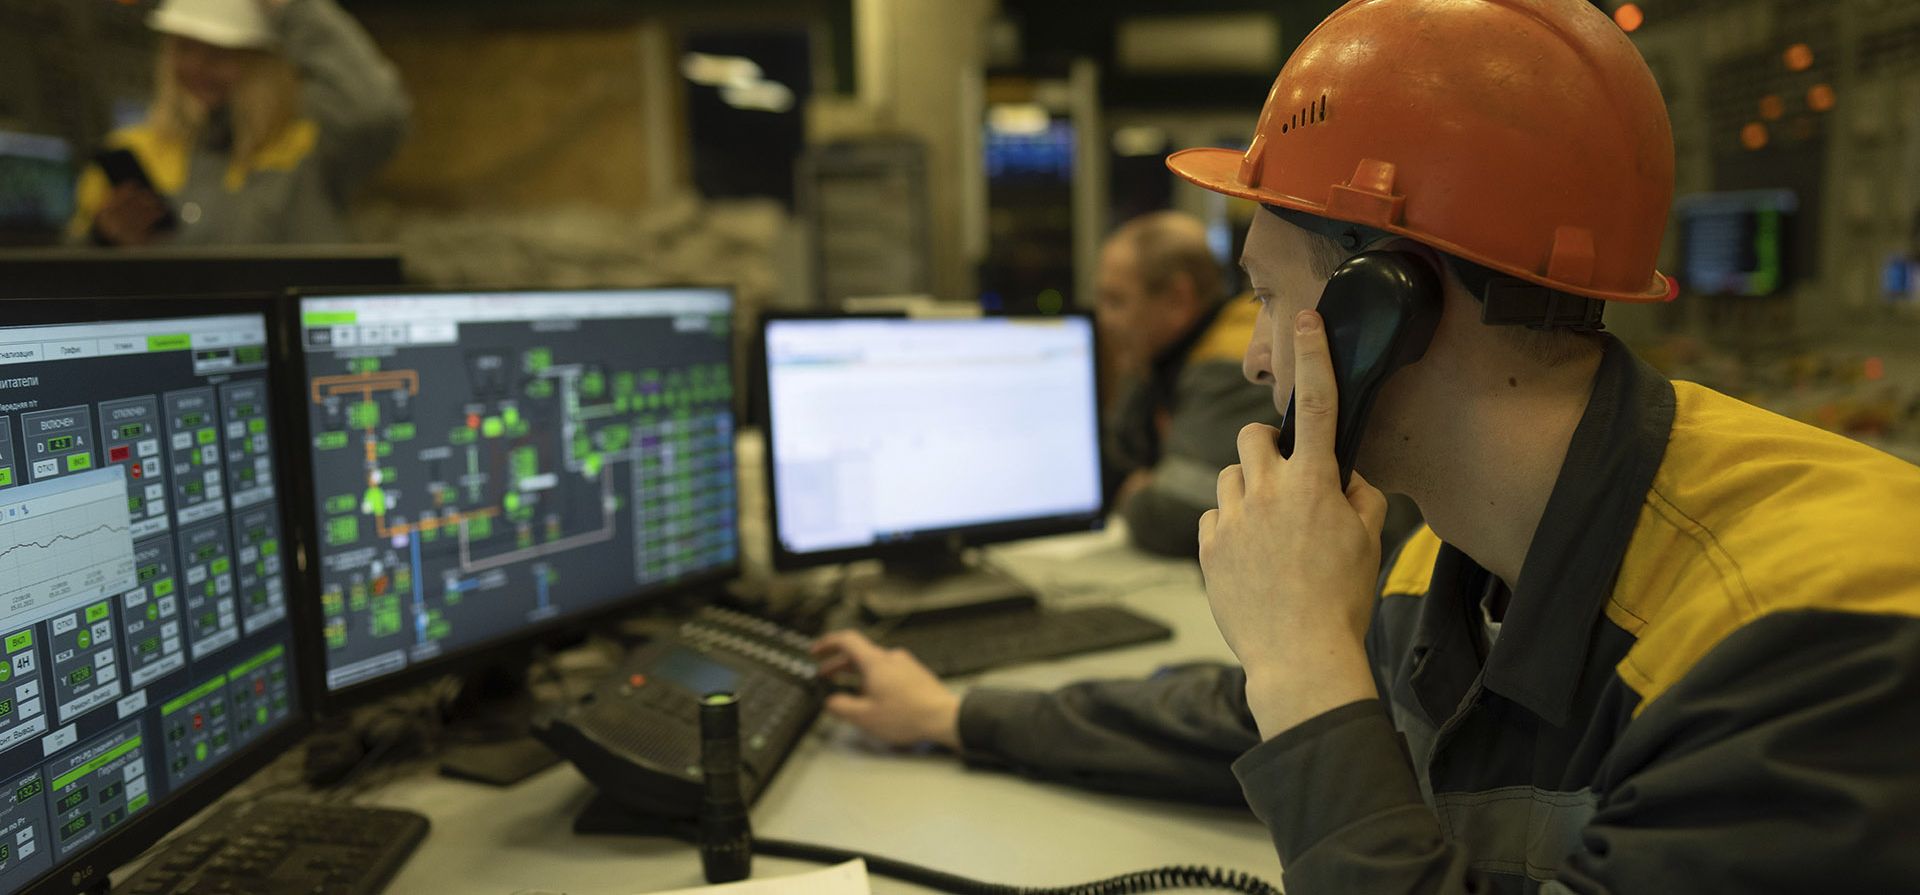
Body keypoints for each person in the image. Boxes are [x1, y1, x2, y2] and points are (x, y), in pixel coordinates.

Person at [815, 0, 1920, 891]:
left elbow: (1319, 701)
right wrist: (956, 712)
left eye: (1263, 297)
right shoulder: (1464, 547)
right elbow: (1256, 718)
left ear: (1384, 306)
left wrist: (1302, 664)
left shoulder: (1818, 642)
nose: (1251, 359)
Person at [70, 0, 408, 246]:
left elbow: (376, 112)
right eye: (185, 48)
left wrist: (294, 9)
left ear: (265, 64)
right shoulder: (132, 150)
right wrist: (102, 240)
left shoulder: (310, 148)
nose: (197, 68)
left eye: (219, 54)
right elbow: (66, 281)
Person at [1095, 211, 1281, 557]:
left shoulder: (1235, 362)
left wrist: (1137, 495)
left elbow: (1175, 512)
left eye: (1116, 301)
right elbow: (1117, 459)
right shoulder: (1161, 354)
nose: (1105, 319)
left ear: (1178, 298)